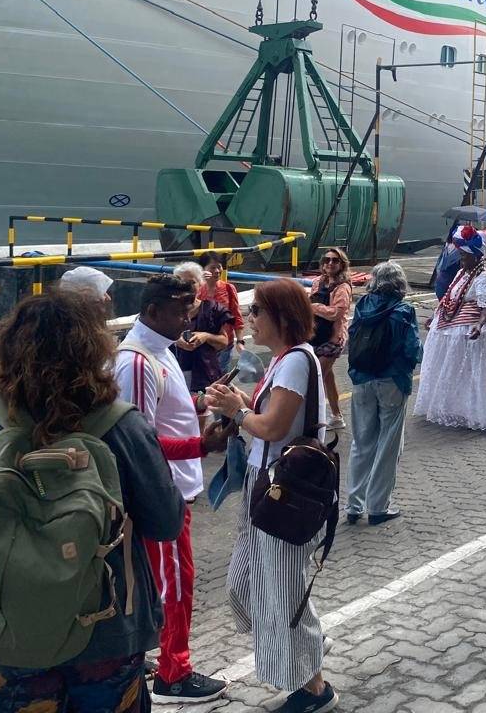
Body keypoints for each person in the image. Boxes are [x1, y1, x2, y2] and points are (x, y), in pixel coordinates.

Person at [0, 291, 188, 713]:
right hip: (107, 628)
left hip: (6, 629)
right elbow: (166, 522)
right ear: (92, 351)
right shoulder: (123, 426)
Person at [206, 279, 338, 713]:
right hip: (264, 484)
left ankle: (313, 688)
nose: (250, 319)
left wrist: (237, 410)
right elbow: (269, 416)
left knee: (280, 589)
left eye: (257, 311)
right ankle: (307, 645)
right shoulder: (284, 359)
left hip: (284, 490)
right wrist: (239, 400)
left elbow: (274, 427)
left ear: (281, 316)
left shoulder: (297, 360)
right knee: (246, 584)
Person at [113, 274, 228, 704]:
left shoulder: (159, 350)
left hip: (173, 489)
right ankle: (173, 673)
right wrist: (202, 445)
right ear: (152, 311)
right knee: (176, 584)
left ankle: (147, 655)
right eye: (181, 311)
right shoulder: (137, 362)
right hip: (162, 494)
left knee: (157, 580)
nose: (188, 319)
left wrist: (201, 401)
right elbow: (138, 442)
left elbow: (166, 412)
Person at [412, 226, 486, 429]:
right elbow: (450, 297)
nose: (461, 259)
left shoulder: (484, 277)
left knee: (472, 373)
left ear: (476, 257)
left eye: (464, 256)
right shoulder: (462, 273)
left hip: (473, 331)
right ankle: (459, 407)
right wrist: (435, 316)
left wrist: (479, 324)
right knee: (458, 372)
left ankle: (475, 411)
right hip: (456, 326)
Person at [346, 261, 422, 524]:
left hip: (361, 379)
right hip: (392, 380)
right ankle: (378, 507)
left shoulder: (362, 306)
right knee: (388, 444)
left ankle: (353, 505)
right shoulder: (403, 310)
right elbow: (412, 349)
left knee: (361, 442)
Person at [172, 261, 232, 397]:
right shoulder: (167, 309)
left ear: (200, 284)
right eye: (182, 282)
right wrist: (176, 340)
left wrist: (206, 336)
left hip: (205, 373)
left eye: (192, 282)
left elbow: (224, 341)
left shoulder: (212, 309)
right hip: (173, 372)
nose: (187, 286)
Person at [309, 248, 352, 431]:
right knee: (326, 377)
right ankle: (337, 416)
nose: (330, 263)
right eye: (327, 260)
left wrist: (314, 307)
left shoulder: (343, 287)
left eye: (335, 260)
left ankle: (313, 418)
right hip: (316, 335)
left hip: (333, 339)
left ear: (342, 264)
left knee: (315, 377)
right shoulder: (317, 282)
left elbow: (337, 313)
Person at [199, 251, 244, 360]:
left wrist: (240, 341)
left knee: (223, 371)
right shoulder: (196, 289)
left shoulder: (228, 288)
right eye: (212, 267)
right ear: (203, 270)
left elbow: (236, 316)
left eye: (219, 267)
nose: (217, 271)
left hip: (225, 346)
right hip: (203, 346)